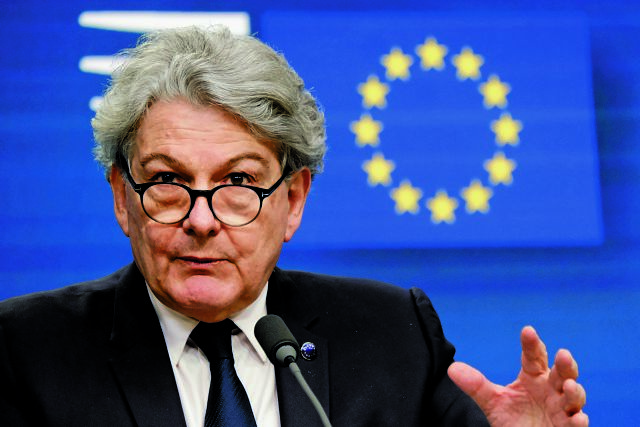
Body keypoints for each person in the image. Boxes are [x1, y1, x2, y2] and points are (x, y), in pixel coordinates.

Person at [0, 26, 587, 426]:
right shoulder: (23, 352)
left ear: (294, 199)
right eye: (168, 181)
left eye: (238, 182)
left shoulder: (393, 335)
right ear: (121, 197)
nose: (201, 220)